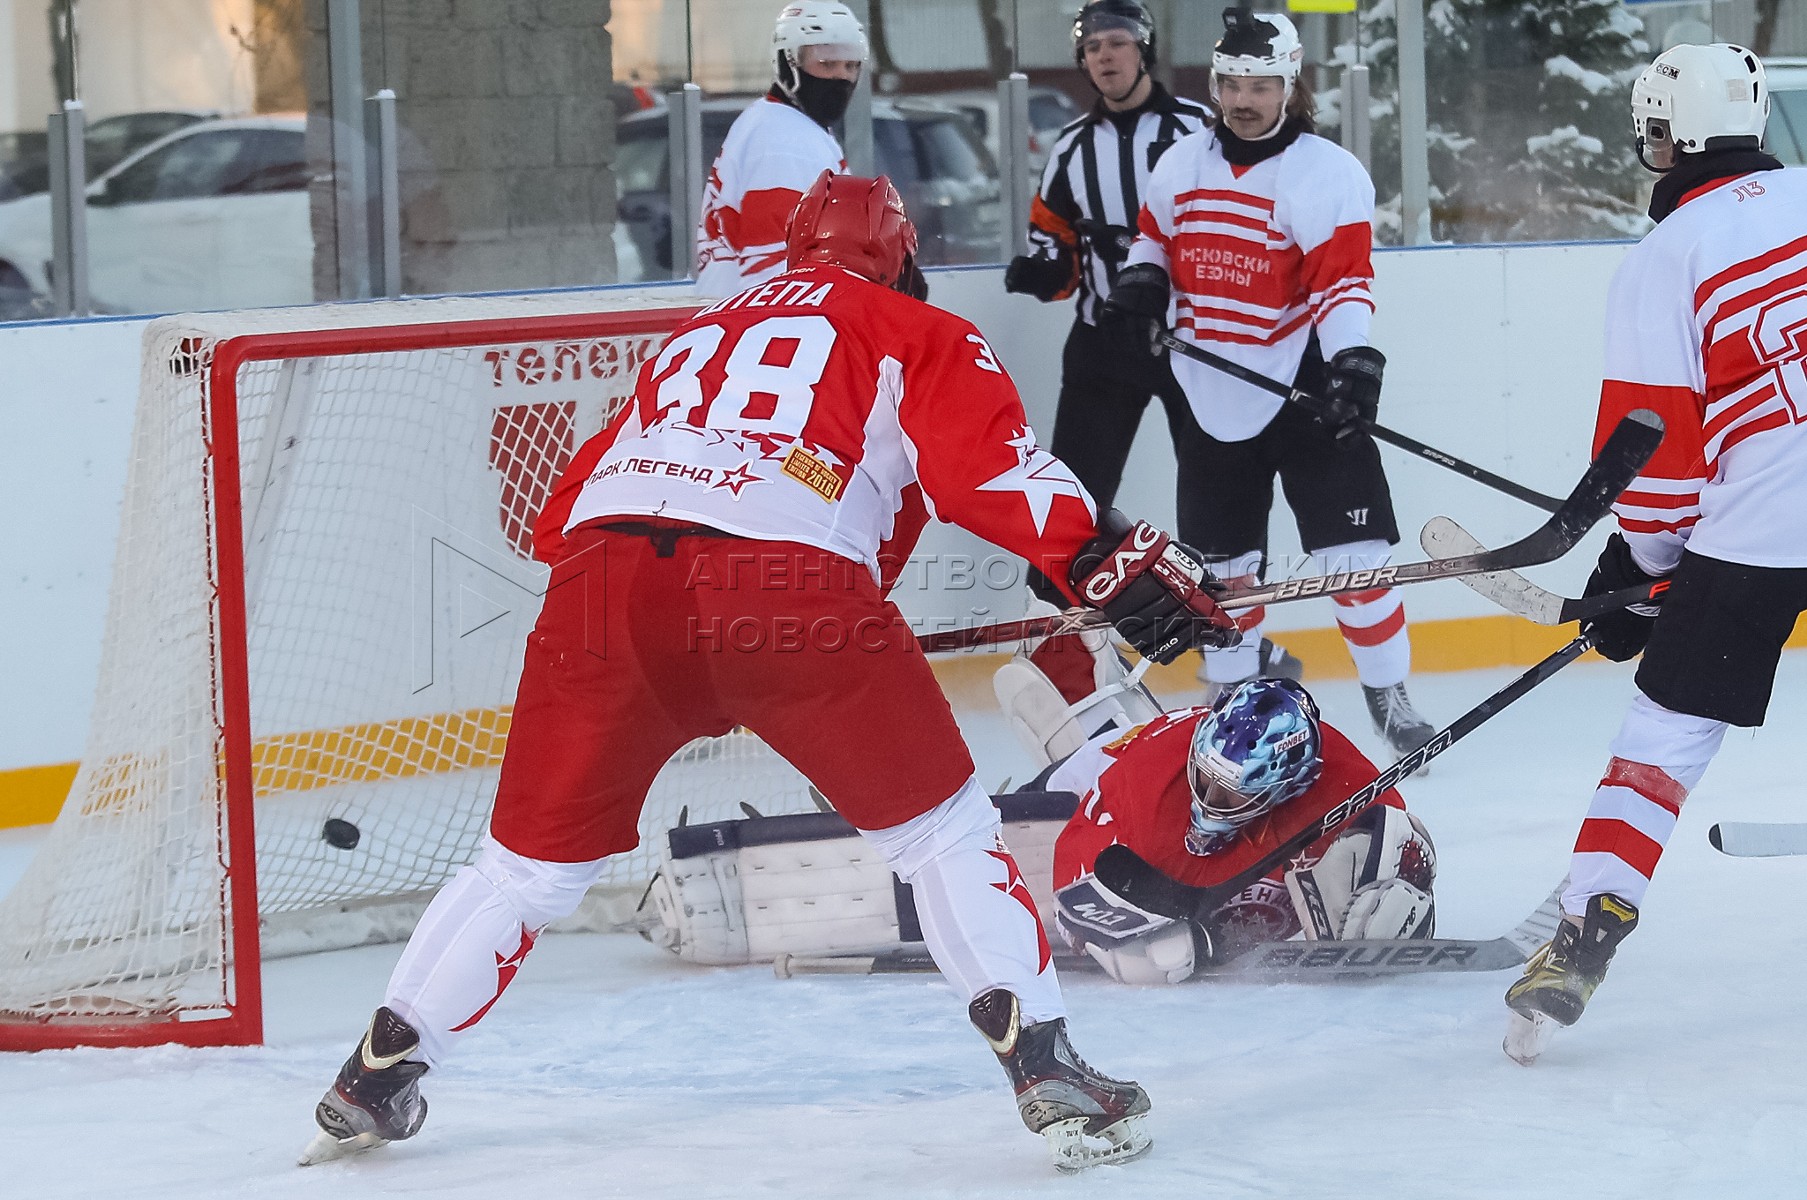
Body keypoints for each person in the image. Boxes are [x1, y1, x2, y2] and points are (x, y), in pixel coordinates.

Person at [301, 171, 1243, 1173]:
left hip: (600, 591)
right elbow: (987, 472)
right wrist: (1107, 555)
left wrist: (707, 606)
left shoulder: (694, 338)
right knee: (943, 836)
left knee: (523, 872)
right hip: (789, 596)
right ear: (901, 258)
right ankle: (1043, 1062)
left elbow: (558, 516)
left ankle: (375, 1071)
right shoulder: (909, 328)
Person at [1502, 43, 1800, 1065]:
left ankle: (1584, 934)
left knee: (1665, 731)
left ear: (1662, 136)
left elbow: (1659, 459)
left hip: (1758, 534)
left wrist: (1638, 574)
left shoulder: (1661, 260)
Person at [1102, 8, 1435, 756]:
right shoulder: (1181, 163)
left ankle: (1387, 689)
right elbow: (1153, 239)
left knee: (1356, 561)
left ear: (1289, 85)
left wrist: (1353, 361)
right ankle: (1232, 699)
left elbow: (1342, 281)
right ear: (1215, 84)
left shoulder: (1325, 172)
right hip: (1206, 381)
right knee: (1223, 575)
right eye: (1230, 83)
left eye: (1260, 84)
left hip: (1303, 376)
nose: (1243, 99)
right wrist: (1141, 288)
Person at [1005, 2, 1300, 684]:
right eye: (1093, 48)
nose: (1106, 57)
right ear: (1083, 61)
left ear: (1144, 50)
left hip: (1191, 347)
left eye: (1117, 43)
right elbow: (1058, 259)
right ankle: (1058, 662)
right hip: (1101, 350)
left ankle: (1236, 647)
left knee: (1215, 502)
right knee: (1069, 501)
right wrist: (1043, 273)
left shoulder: (1198, 130)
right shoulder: (1070, 147)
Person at [996, 629, 1435, 984]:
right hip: (1083, 787)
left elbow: (1407, 841)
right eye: (1203, 779)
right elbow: (1068, 881)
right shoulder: (1152, 804)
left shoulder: (1351, 789)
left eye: (1229, 793)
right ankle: (1063, 661)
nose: (1206, 803)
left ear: (1284, 788)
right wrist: (1106, 932)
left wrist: (1402, 885)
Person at [694, 2, 867, 296]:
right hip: (764, 328)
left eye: (851, 65)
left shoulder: (779, 123)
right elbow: (771, 277)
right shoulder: (784, 142)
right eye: (826, 64)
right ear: (788, 64)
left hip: (742, 325)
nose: (842, 76)